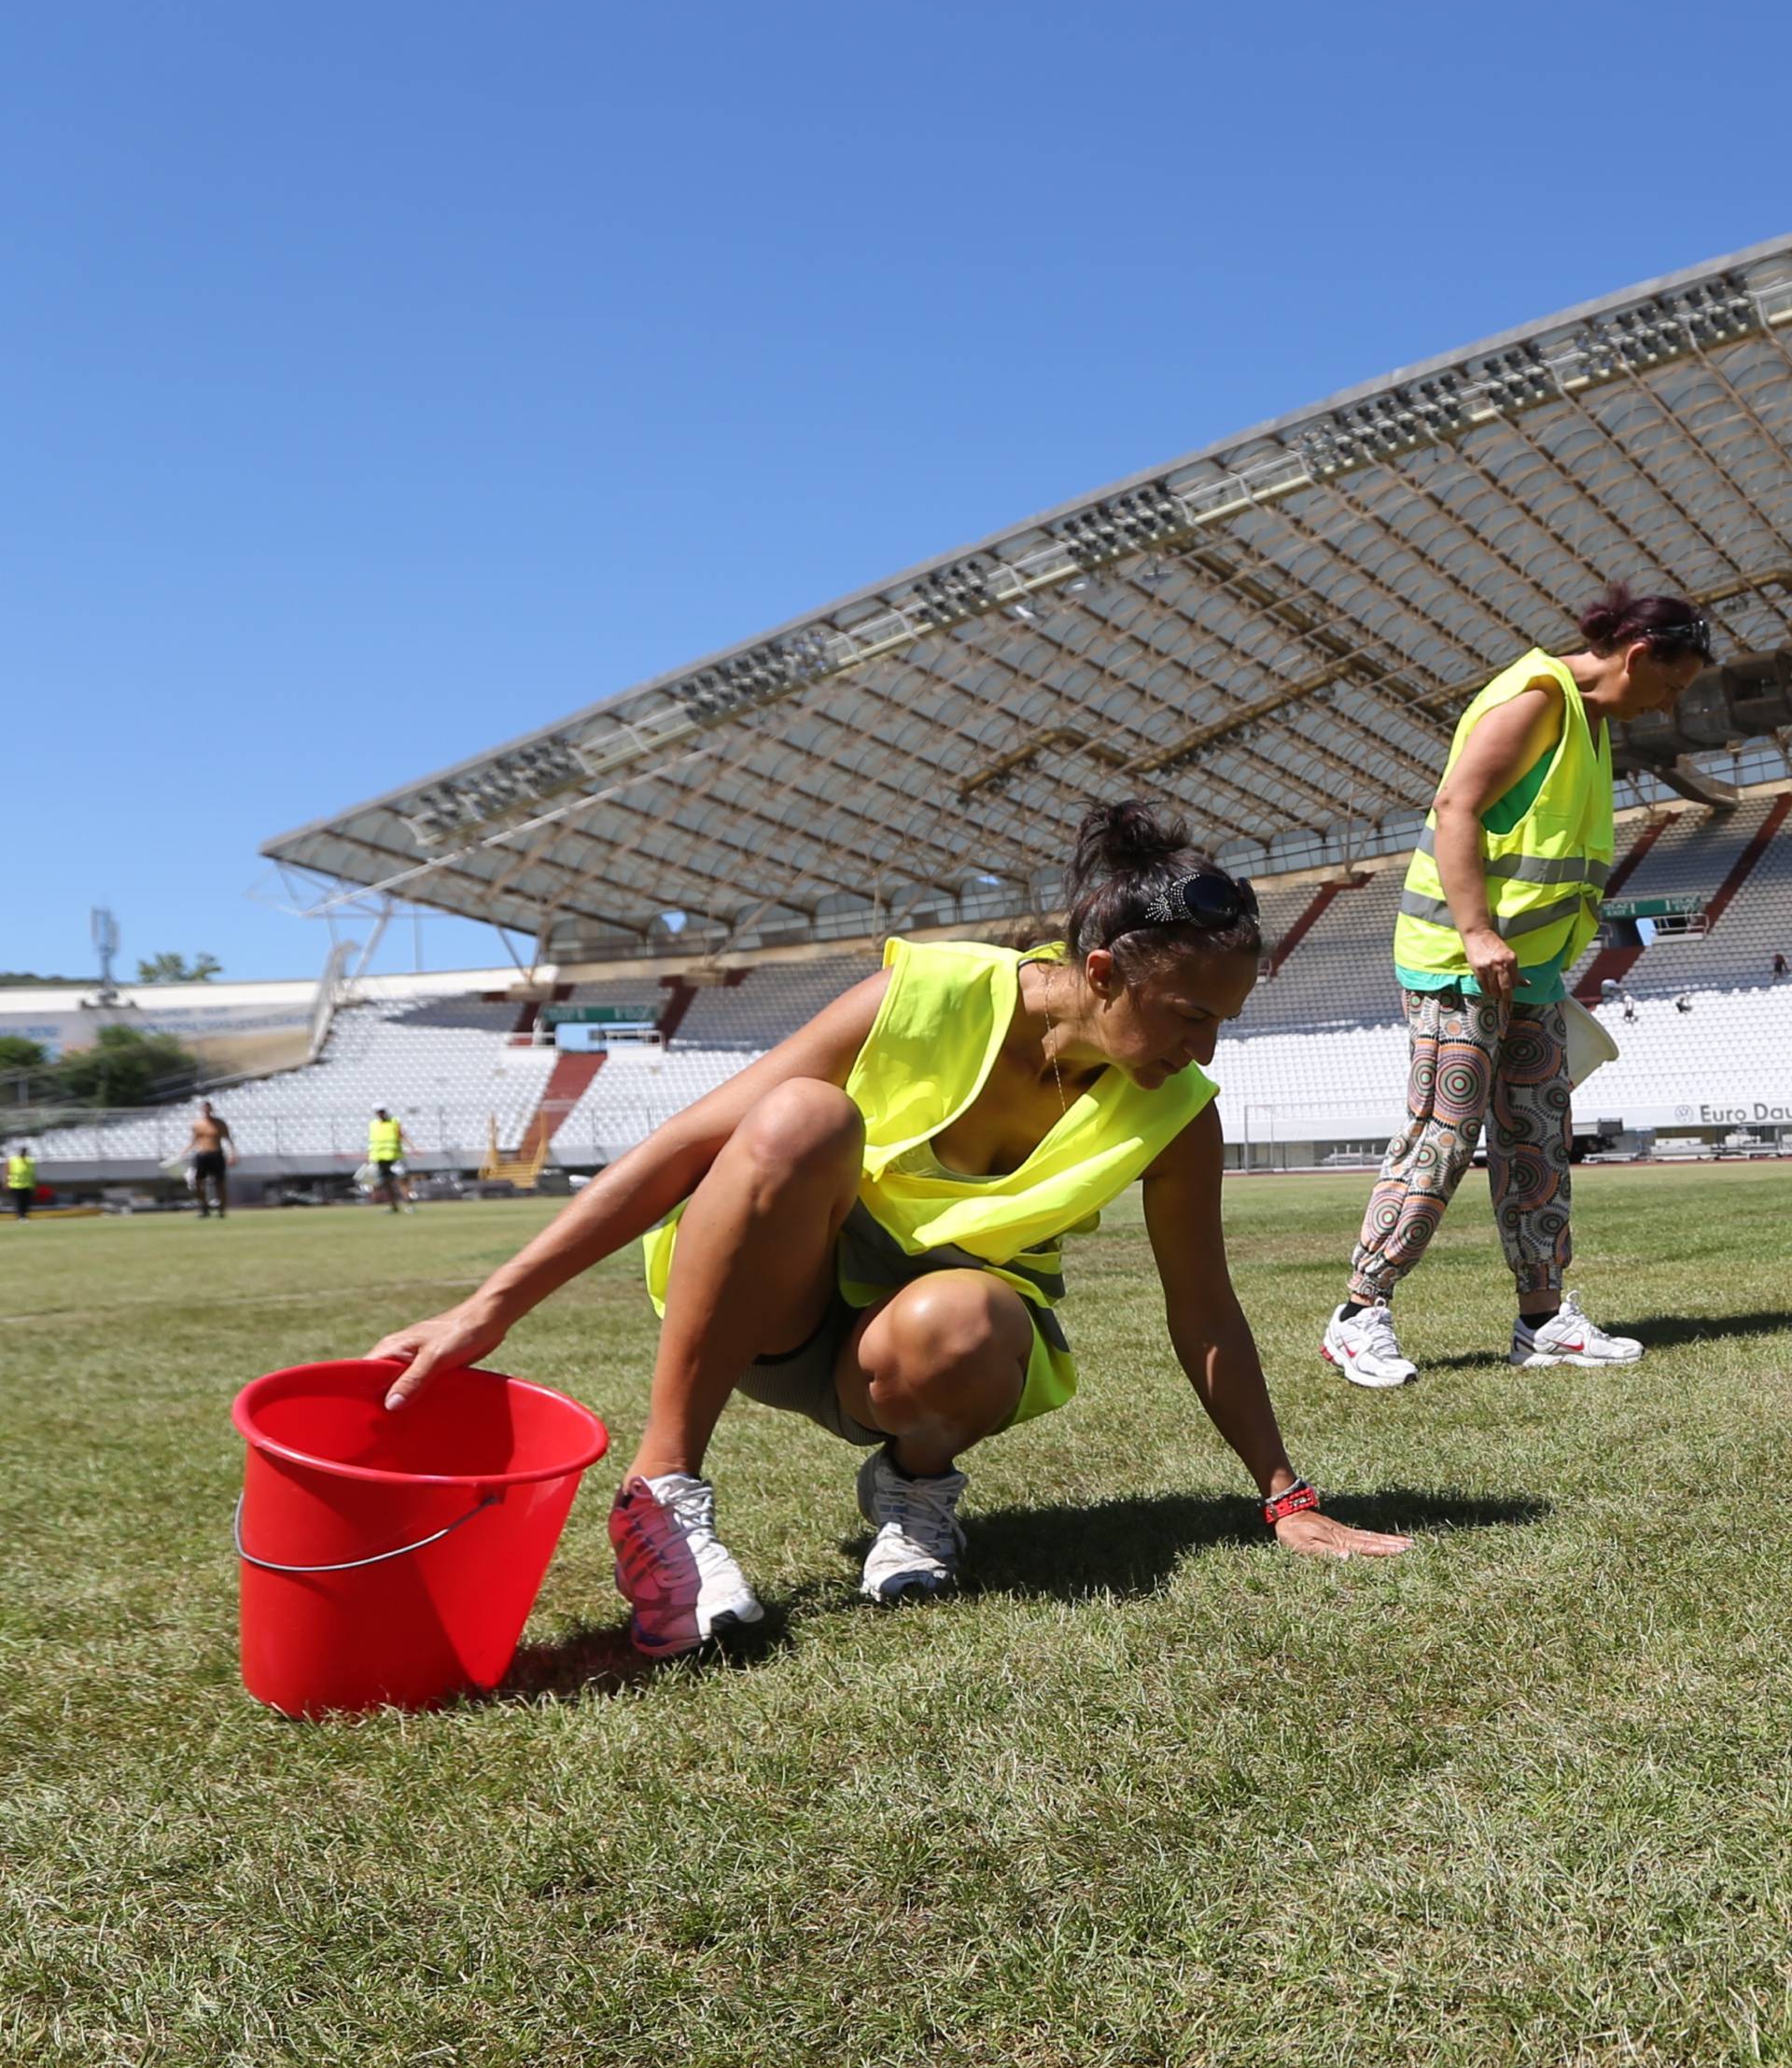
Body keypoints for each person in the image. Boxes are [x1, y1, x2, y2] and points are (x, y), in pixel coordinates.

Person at [371, 802, 1410, 1660]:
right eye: (1187, 1013)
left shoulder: (1177, 1109)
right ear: (1101, 973)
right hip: (768, 1303)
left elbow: (1206, 1306)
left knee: (973, 1315)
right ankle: (663, 1499)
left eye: (1221, 1020)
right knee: (800, 1116)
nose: (1202, 1046)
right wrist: (490, 1304)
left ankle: (914, 1491)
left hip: (907, 1355)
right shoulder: (928, 994)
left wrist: (1287, 1497)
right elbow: (692, 1143)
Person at [1323, 582, 1712, 1388]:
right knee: (1445, 1132)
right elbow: (1457, 806)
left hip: (1528, 971)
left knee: (1535, 1139)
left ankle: (1542, 1320)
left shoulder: (1593, 722)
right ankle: (1359, 1314)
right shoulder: (1539, 699)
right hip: (1458, 961)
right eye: (1671, 684)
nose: (1669, 704)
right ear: (1639, 656)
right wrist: (1476, 932)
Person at [184, 1101, 236, 1219]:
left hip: (216, 1154)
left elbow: (228, 1139)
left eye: (208, 1109)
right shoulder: (197, 1124)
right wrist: (184, 1152)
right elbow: (193, 1141)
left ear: (211, 1109)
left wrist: (233, 1154)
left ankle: (221, 1209)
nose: (207, 1111)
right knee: (197, 1182)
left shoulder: (219, 1123)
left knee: (220, 1183)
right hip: (202, 1155)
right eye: (205, 1109)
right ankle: (204, 1207)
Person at [367, 1110, 411, 1213]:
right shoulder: (373, 1124)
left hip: (394, 1156)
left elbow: (401, 1135)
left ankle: (409, 1205)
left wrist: (412, 1147)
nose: (380, 1114)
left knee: (402, 1180)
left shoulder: (394, 1122)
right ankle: (393, 1206)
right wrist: (369, 1156)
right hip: (380, 1157)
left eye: (382, 1111)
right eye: (378, 1112)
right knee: (386, 1182)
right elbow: (372, 1141)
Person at [7, 1141, 35, 1222]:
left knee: (26, 1202)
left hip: (28, 1184)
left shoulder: (30, 1161)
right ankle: (20, 1216)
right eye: (22, 1151)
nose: (23, 1152)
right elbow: (7, 1171)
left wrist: (33, 1183)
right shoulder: (13, 1160)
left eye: (24, 1151)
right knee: (18, 1201)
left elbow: (32, 1173)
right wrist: (7, 1182)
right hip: (16, 1185)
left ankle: (24, 1215)